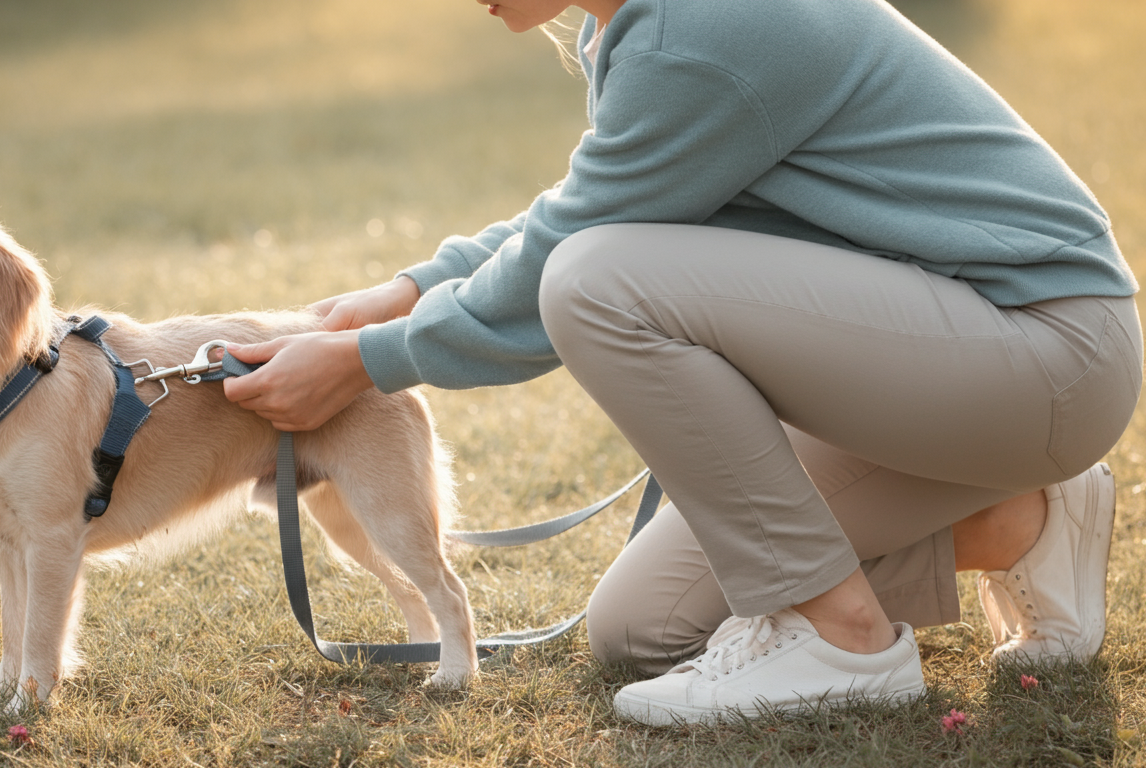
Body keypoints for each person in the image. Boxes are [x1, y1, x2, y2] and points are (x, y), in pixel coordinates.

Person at [219, 0, 1142, 726]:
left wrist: (367, 362)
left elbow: (573, 258)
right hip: (958, 367)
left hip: (1045, 352)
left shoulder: (704, 29)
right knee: (642, 627)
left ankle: (851, 646)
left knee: (592, 284)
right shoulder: (638, 27)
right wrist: (405, 291)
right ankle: (1020, 521)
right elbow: (594, 205)